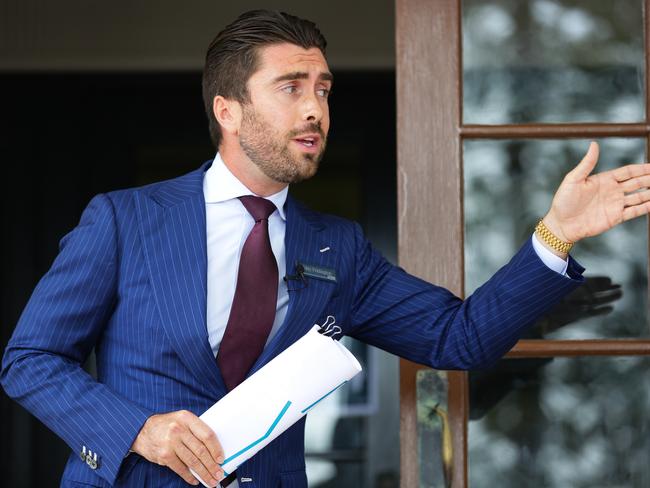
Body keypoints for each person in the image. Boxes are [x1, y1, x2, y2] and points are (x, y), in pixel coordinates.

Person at [3, 9, 650, 488]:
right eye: (292, 87)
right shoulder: (124, 221)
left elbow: (461, 338)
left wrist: (556, 233)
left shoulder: (339, 248)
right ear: (227, 111)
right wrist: (140, 431)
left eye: (324, 88)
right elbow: (30, 359)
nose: (316, 108)